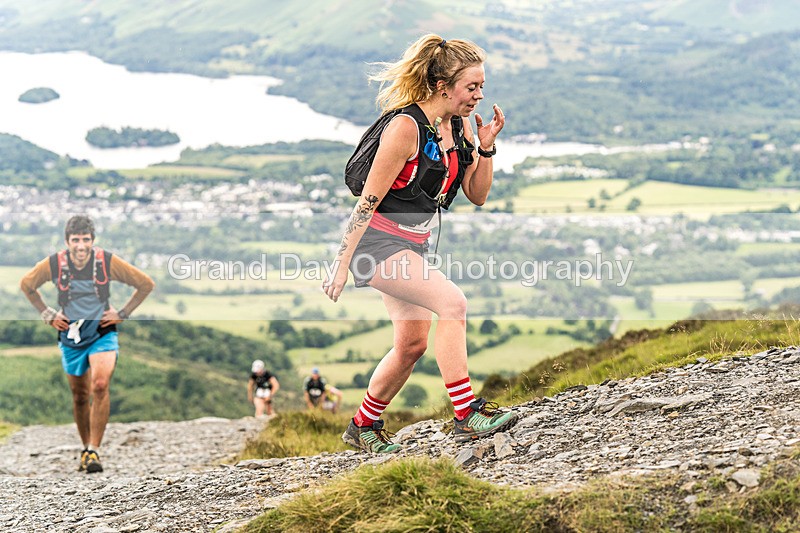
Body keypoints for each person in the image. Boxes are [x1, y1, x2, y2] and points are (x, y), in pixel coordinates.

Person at [323, 34, 518, 453]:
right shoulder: (404, 128)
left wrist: (486, 148)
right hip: (374, 246)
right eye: (472, 87)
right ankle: (466, 414)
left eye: (482, 87)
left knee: (411, 343)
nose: (480, 96)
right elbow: (367, 202)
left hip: (413, 245)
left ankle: (363, 426)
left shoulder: (462, 126)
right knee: (453, 304)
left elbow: (477, 194)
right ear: (442, 86)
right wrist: (341, 263)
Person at [19, 215, 155, 473]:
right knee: (80, 396)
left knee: (100, 385)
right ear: (67, 241)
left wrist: (122, 313)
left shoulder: (106, 261)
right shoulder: (54, 264)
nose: (81, 246)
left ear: (93, 240)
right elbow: (27, 285)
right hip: (71, 335)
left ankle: (94, 449)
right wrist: (47, 313)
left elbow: (145, 284)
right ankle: (85, 450)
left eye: (85, 240)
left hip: (103, 331)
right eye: (75, 240)